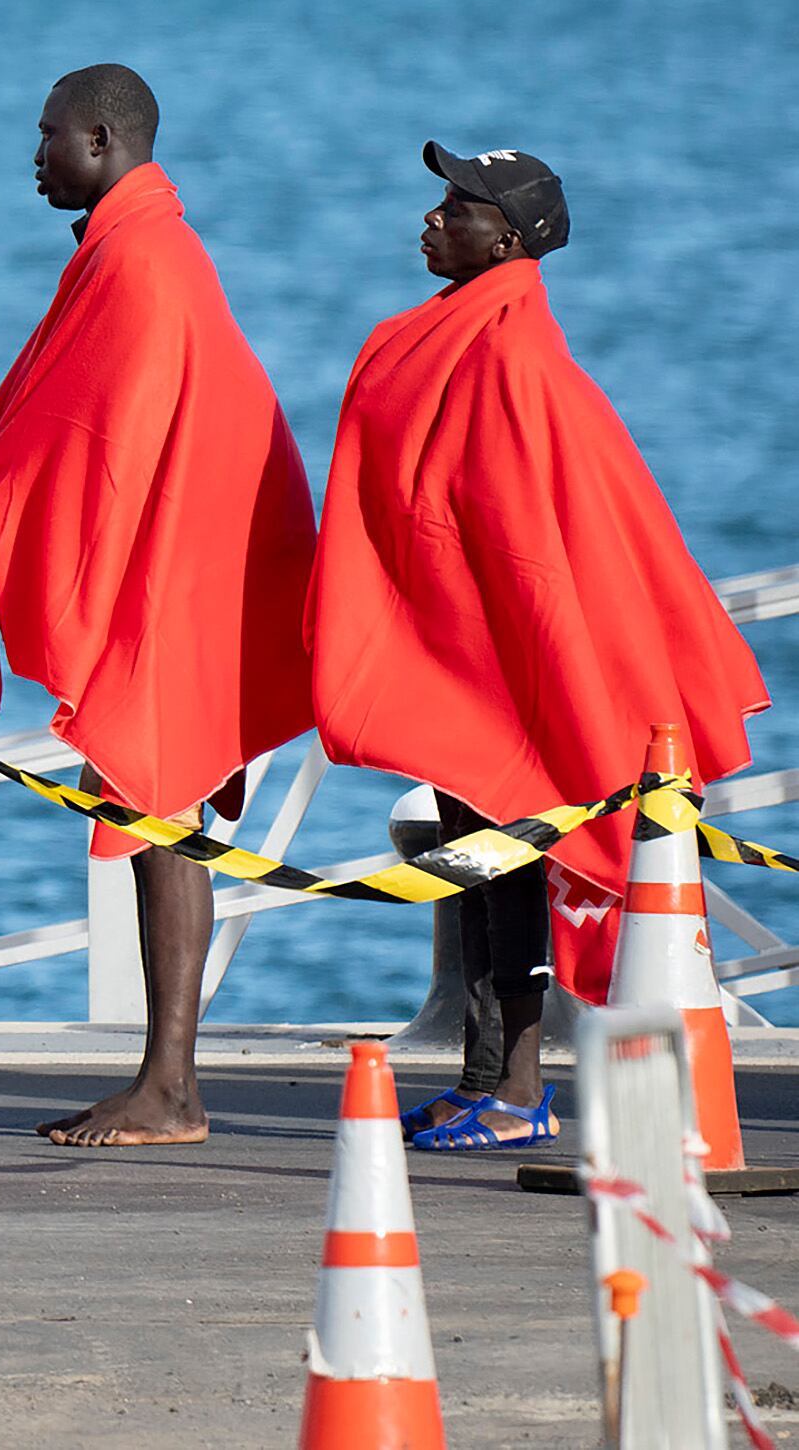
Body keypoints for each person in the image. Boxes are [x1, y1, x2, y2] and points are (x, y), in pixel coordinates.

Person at [309, 142, 767, 1152]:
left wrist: (519, 672)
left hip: (509, 668)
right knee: (477, 863)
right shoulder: (466, 335)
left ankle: (517, 1091)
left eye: (455, 207)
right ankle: (486, 1076)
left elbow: (528, 544)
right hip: (474, 661)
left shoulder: (510, 353)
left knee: (505, 865)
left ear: (509, 238)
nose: (432, 219)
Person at [0, 65, 316, 1148]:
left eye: (48, 133)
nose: (34, 153)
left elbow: (98, 441)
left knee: (163, 815)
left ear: (103, 138)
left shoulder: (143, 259)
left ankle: (172, 1089)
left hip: (185, 579)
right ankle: (164, 1079)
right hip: (188, 569)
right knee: (155, 812)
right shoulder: (136, 245)